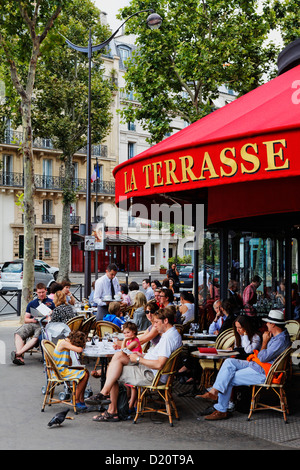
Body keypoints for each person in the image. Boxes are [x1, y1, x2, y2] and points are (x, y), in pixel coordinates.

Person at [91, 308, 182, 421]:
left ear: (166, 321)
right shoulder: (172, 334)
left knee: (112, 371)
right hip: (150, 369)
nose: (154, 326)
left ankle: (111, 410)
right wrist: (142, 355)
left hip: (151, 375)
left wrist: (138, 359)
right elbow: (158, 358)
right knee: (118, 357)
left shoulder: (168, 338)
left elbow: (159, 364)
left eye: (156, 322)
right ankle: (105, 394)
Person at [198, 309, 291, 420]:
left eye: (268, 322)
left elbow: (262, 357)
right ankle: (214, 391)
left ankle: (221, 410)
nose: (266, 324)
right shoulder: (278, 336)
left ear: (273, 324)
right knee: (229, 362)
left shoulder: (280, 340)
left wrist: (265, 342)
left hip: (264, 372)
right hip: (258, 365)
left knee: (228, 377)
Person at [11, 283, 55, 365]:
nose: (41, 294)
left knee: (35, 338)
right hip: (33, 323)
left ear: (46, 291)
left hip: (44, 325)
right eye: (39, 293)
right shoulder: (32, 303)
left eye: (43, 292)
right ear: (36, 292)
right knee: (18, 334)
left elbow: (55, 317)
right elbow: (26, 319)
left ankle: (18, 354)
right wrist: (32, 320)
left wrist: (49, 317)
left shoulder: (52, 303)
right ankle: (19, 356)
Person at [52, 330, 89, 411]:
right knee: (85, 374)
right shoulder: (64, 343)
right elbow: (79, 350)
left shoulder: (64, 342)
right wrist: (82, 346)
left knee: (86, 372)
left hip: (62, 369)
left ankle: (81, 399)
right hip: (60, 371)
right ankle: (75, 399)